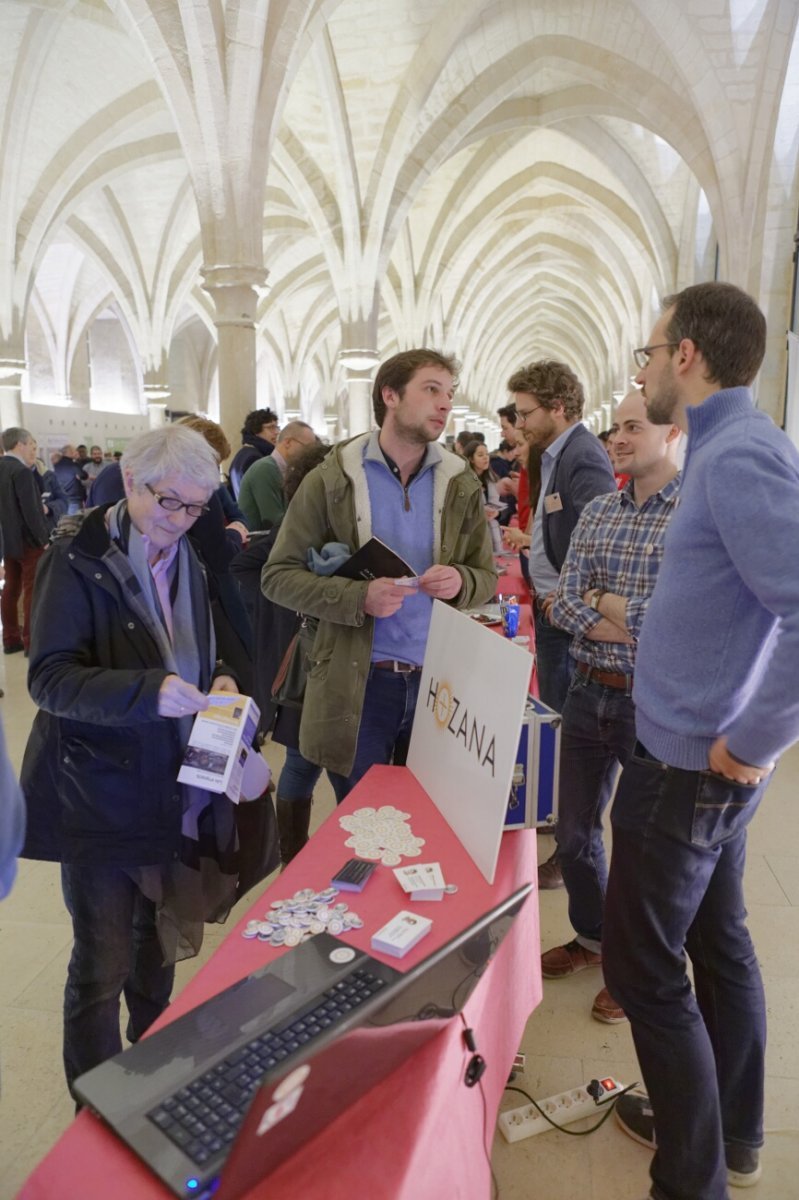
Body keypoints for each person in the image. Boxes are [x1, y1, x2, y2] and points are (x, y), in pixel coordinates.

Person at [602, 282, 797, 1199]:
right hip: (692, 757)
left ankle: (691, 1180)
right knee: (717, 943)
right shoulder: (723, 450)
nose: (641, 370)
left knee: (642, 970)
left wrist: (753, 739)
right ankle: (729, 1133)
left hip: (693, 770)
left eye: (648, 352)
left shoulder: (737, 456)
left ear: (684, 355)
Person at [19, 424, 241, 1096]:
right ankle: (97, 1102)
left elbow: (195, 641)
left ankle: (153, 1075)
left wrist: (222, 675)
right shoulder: (77, 557)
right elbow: (49, 680)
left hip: (171, 782)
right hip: (98, 792)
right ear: (130, 481)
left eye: (195, 506)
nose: (180, 520)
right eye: (169, 503)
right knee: (103, 960)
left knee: (157, 939)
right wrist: (151, 693)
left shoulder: (187, 545)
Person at [262, 348, 496, 801]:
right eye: (431, 390)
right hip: (358, 684)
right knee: (365, 820)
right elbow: (277, 577)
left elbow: (484, 574)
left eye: (449, 393)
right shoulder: (331, 480)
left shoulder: (460, 483)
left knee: (428, 817)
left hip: (436, 685)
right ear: (390, 395)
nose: (445, 403)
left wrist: (462, 582)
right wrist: (357, 597)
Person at [542, 390, 680, 1024]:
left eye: (634, 426)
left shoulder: (692, 516)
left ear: (672, 432)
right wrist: (618, 617)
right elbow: (563, 604)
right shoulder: (599, 510)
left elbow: (673, 625)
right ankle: (595, 938)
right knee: (572, 835)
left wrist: (605, 605)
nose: (618, 438)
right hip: (587, 688)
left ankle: (636, 967)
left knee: (641, 847)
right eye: (615, 428)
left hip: (653, 704)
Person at [505, 361, 615, 889]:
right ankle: (564, 829)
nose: (520, 422)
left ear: (559, 408)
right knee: (561, 723)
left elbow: (596, 542)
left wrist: (567, 601)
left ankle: (574, 840)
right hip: (551, 609)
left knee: (574, 737)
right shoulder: (552, 453)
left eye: (526, 412)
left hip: (564, 616)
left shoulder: (583, 454)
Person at [0, 428, 50, 654]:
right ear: (19, 444)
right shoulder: (21, 472)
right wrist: (44, 540)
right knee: (33, 590)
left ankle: (10, 639)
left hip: (8, 543)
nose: (33, 449)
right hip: (29, 543)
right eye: (31, 444)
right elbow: (32, 512)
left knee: (11, 589)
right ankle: (31, 641)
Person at [237, 420, 319, 531]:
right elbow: (274, 520)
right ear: (288, 443)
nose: (310, 454)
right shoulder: (265, 469)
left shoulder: (283, 469)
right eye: (308, 448)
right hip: (259, 542)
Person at [228, 408, 280, 497]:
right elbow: (262, 496)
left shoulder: (244, 453)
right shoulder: (254, 458)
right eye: (271, 427)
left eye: (277, 427)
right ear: (256, 430)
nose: (276, 432)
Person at [463, 439, 503, 552]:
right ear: (471, 459)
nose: (486, 458)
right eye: (480, 455)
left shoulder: (492, 478)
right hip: (470, 529)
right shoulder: (464, 481)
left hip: (490, 525)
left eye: (487, 454)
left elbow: (501, 505)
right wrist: (480, 513)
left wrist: (496, 512)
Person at [53, 444, 87, 514]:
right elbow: (84, 475)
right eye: (75, 451)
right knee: (75, 523)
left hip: (62, 500)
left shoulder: (57, 465)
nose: (77, 453)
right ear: (70, 452)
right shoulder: (73, 465)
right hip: (74, 500)